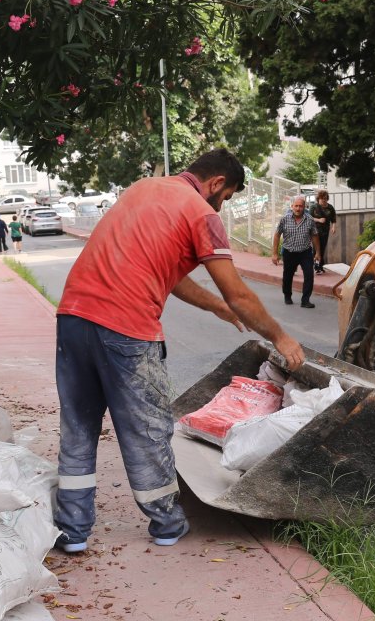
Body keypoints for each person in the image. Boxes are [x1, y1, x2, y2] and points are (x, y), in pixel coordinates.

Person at [53, 148, 306, 552]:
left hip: (72, 318)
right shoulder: (200, 212)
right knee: (147, 428)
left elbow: (167, 275)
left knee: (78, 428)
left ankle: (72, 531)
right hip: (127, 329)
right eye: (226, 199)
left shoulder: (142, 190)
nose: (221, 208)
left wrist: (216, 307)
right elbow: (239, 293)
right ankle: (167, 523)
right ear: (217, 183)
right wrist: (282, 338)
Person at [271, 195, 320, 309]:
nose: (298, 208)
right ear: (292, 206)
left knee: (309, 275)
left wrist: (318, 252)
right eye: (296, 206)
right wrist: (274, 253)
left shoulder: (310, 220)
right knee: (287, 276)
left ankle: (305, 300)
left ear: (304, 207)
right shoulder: (284, 219)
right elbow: (277, 235)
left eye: (301, 206)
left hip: (305, 252)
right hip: (289, 253)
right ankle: (287, 295)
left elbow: (315, 235)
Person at [309, 189, 336, 274]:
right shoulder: (314, 207)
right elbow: (309, 218)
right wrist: (319, 220)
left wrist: (333, 227)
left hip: (325, 231)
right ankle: (316, 266)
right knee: (316, 248)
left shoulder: (330, 207)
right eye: (321, 198)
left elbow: (333, 219)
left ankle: (320, 265)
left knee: (322, 247)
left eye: (325, 198)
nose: (323, 200)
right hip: (315, 231)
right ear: (318, 199)